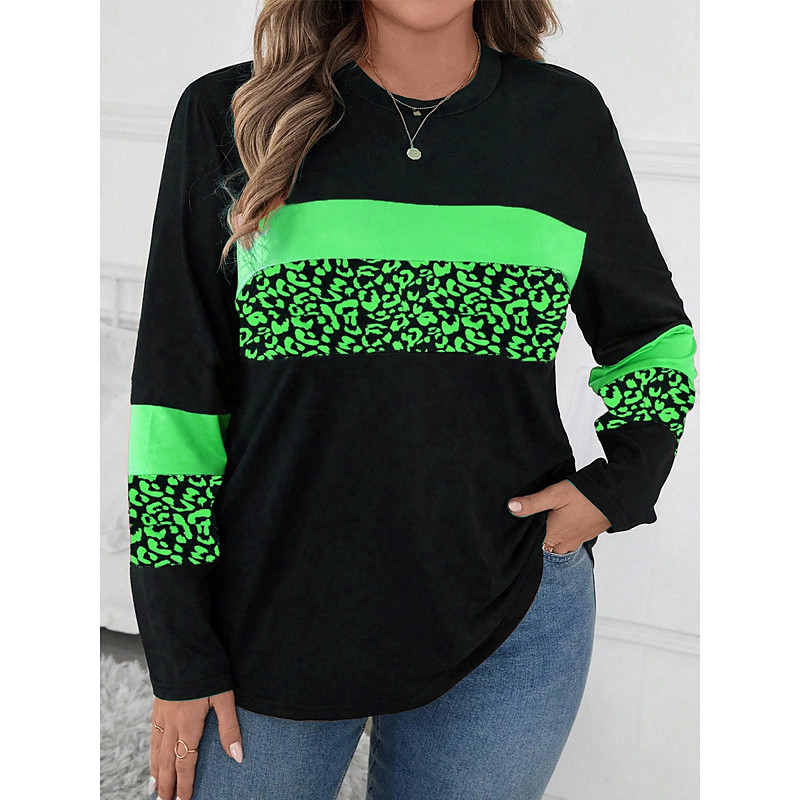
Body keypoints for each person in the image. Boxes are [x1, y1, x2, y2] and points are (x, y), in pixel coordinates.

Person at [127, 1, 698, 798]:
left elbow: (652, 337)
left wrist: (620, 486)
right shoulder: (232, 114)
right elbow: (176, 403)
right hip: (273, 611)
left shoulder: (562, 118)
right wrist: (180, 645)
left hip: (508, 612)